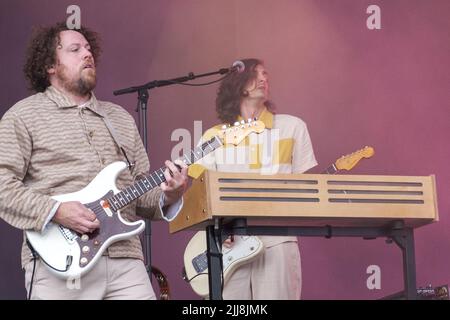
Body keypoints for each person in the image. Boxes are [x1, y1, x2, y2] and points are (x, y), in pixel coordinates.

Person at [0, 22, 188, 300]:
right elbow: (3, 186)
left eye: (88, 49)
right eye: (75, 49)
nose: (87, 54)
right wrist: (56, 210)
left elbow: (139, 195)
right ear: (50, 65)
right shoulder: (24, 115)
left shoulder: (120, 118)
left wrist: (170, 195)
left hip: (126, 261)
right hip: (60, 264)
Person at [188, 58, 317, 299]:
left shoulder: (293, 127)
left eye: (265, 74)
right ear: (236, 84)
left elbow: (307, 191)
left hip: (277, 241)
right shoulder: (214, 136)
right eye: (254, 74)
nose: (263, 79)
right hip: (228, 245)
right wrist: (220, 230)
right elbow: (201, 197)